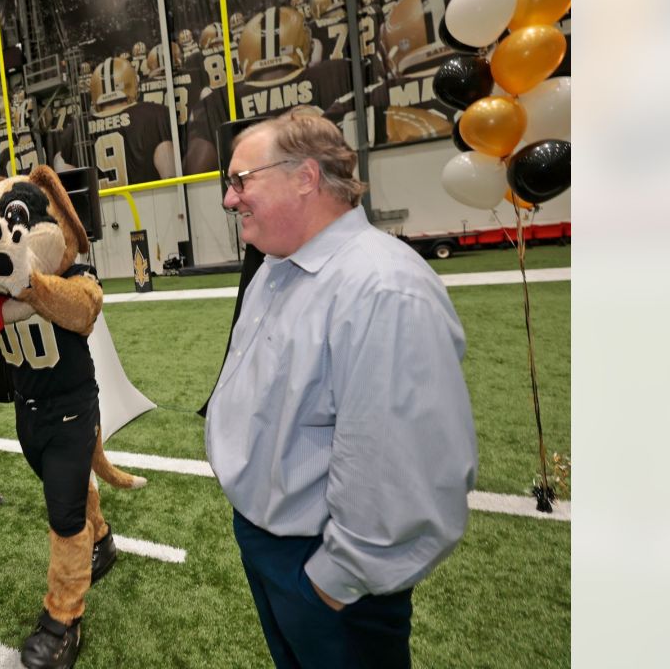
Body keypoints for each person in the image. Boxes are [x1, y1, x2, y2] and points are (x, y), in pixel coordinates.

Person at [204, 110, 477, 668]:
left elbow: (404, 470)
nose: (230, 200)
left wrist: (332, 581)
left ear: (304, 177)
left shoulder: (383, 289)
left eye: (240, 180)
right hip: (272, 544)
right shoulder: (278, 268)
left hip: (324, 570)